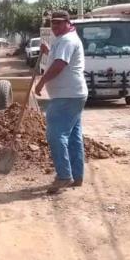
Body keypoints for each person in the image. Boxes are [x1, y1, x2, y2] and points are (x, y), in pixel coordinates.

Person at [35, 10, 88, 193]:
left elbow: (59, 65)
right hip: (73, 94)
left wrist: (41, 81)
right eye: (52, 23)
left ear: (67, 22)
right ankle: (77, 175)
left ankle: (64, 176)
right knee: (73, 136)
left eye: (59, 23)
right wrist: (47, 51)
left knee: (56, 134)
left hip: (67, 96)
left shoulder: (67, 40)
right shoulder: (65, 39)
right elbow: (58, 59)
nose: (55, 26)